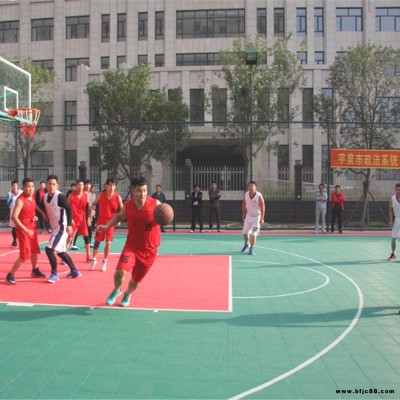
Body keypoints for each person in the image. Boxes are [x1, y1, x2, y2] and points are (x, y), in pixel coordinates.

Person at [97, 176, 161, 307]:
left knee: (135, 282)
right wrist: (107, 226)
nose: (142, 194)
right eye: (139, 190)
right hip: (131, 247)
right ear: (132, 190)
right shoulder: (128, 205)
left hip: (149, 250)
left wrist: (167, 218)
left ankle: (128, 293)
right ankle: (116, 290)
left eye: (144, 190)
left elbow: (167, 216)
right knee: (120, 272)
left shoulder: (156, 204)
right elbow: (119, 216)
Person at [40, 174, 81, 283]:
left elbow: (69, 209)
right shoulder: (44, 197)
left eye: (53, 184)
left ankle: (54, 274)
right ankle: (74, 271)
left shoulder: (60, 196)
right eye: (49, 184)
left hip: (61, 228)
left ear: (57, 186)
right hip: (54, 228)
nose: (51, 186)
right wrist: (41, 216)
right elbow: (40, 209)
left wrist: (69, 225)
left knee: (49, 250)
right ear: (46, 185)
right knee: (60, 252)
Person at [6, 178, 46, 284]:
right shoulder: (20, 200)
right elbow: (14, 217)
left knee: (34, 251)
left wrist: (39, 214)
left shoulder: (31, 197)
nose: (31, 189)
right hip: (24, 231)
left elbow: (33, 207)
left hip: (32, 228)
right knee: (24, 255)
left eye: (32, 186)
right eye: (28, 186)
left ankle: (35, 270)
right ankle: (10, 274)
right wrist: (26, 229)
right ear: (23, 187)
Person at [90, 178, 123, 272]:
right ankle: (94, 260)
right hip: (101, 220)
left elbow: (123, 209)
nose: (111, 187)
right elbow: (93, 204)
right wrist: (92, 211)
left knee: (108, 242)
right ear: (106, 186)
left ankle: (104, 261)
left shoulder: (117, 197)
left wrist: (119, 218)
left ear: (115, 186)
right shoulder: (101, 195)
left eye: (113, 185)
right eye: (110, 185)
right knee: (97, 242)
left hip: (111, 222)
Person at [67, 179, 91, 260]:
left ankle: (88, 256)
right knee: (69, 238)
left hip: (82, 218)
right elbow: (66, 207)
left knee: (86, 237)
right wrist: (70, 219)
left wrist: (88, 218)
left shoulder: (86, 195)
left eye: (82, 185)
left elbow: (87, 207)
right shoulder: (71, 195)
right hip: (73, 219)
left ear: (83, 186)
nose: (80, 186)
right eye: (79, 185)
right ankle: (64, 257)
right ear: (76, 186)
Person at [241, 181, 265, 256]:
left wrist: (262, 218)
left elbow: (263, 207)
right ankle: (246, 244)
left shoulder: (259, 196)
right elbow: (244, 204)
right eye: (249, 186)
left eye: (252, 186)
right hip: (248, 216)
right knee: (245, 233)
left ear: (255, 188)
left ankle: (251, 248)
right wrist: (243, 214)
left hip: (256, 218)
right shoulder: (246, 194)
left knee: (253, 234)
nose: (250, 187)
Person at [6, 180, 22, 247]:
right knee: (14, 227)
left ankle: (22, 240)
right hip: (13, 211)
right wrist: (11, 199)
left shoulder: (21, 192)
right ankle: (14, 240)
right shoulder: (9, 194)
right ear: (11, 186)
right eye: (13, 186)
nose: (14, 187)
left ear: (17, 186)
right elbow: (8, 203)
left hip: (21, 211)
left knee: (21, 226)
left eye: (16, 185)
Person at [388, 183, 400, 261]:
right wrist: (391, 220)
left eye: (399, 189)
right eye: (397, 189)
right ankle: (393, 254)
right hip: (397, 219)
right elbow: (390, 210)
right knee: (393, 239)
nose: (398, 191)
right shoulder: (392, 199)